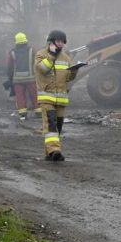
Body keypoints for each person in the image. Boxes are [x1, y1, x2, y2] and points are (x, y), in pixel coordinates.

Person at [35, 30, 79, 161]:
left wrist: (74, 71)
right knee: (51, 124)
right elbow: (43, 69)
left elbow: (68, 78)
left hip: (61, 99)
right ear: (51, 41)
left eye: (62, 42)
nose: (60, 44)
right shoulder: (41, 54)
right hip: (47, 97)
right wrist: (52, 55)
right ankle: (55, 151)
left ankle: (50, 152)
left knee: (57, 126)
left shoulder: (66, 58)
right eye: (58, 41)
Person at [6, 32, 38, 120]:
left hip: (18, 79)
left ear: (16, 42)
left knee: (20, 96)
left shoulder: (12, 52)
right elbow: (38, 61)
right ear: (25, 40)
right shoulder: (32, 50)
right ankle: (38, 112)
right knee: (34, 95)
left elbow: (9, 66)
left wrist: (10, 78)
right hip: (30, 78)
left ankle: (23, 114)